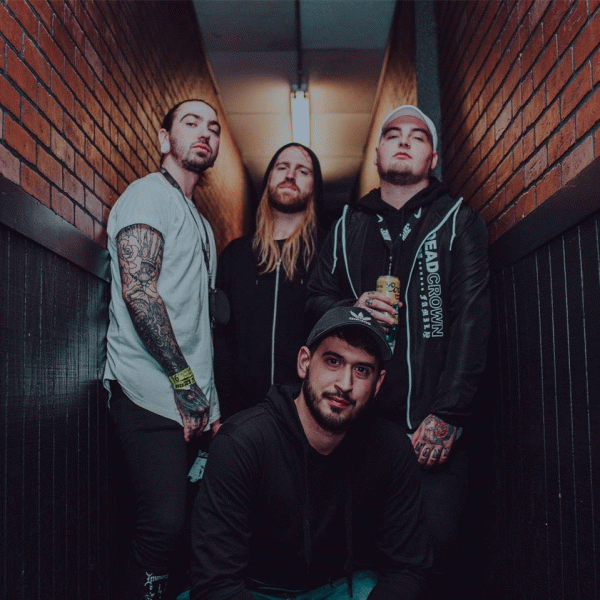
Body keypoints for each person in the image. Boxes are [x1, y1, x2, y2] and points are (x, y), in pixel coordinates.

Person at [307, 105, 491, 599]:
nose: (404, 141)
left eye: (417, 136)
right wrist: (351, 306)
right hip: (357, 428)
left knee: (434, 554)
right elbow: (315, 299)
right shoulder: (347, 224)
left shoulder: (458, 220)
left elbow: (472, 320)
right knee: (354, 558)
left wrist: (449, 412)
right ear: (377, 153)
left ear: (432, 158)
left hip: (429, 427)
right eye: (393, 134)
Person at [191, 306, 431, 600]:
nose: (345, 384)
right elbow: (215, 583)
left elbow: (408, 569)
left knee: (369, 589)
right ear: (305, 362)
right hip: (252, 590)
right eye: (333, 361)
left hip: (336, 588)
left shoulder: (390, 450)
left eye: (362, 370)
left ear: (377, 383)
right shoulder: (243, 442)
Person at [103, 99, 222, 599]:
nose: (204, 132)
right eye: (190, 123)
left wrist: (210, 403)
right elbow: (139, 292)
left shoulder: (201, 223)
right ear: (163, 139)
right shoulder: (147, 195)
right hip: (148, 392)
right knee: (163, 524)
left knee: (185, 529)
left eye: (213, 127)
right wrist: (184, 383)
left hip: (190, 403)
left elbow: (198, 323)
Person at [214, 143, 324, 418]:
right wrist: (220, 412)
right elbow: (221, 341)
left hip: (309, 419)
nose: (290, 175)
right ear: (268, 180)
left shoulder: (327, 255)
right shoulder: (236, 255)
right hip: (241, 418)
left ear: (315, 186)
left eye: (303, 171)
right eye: (282, 167)